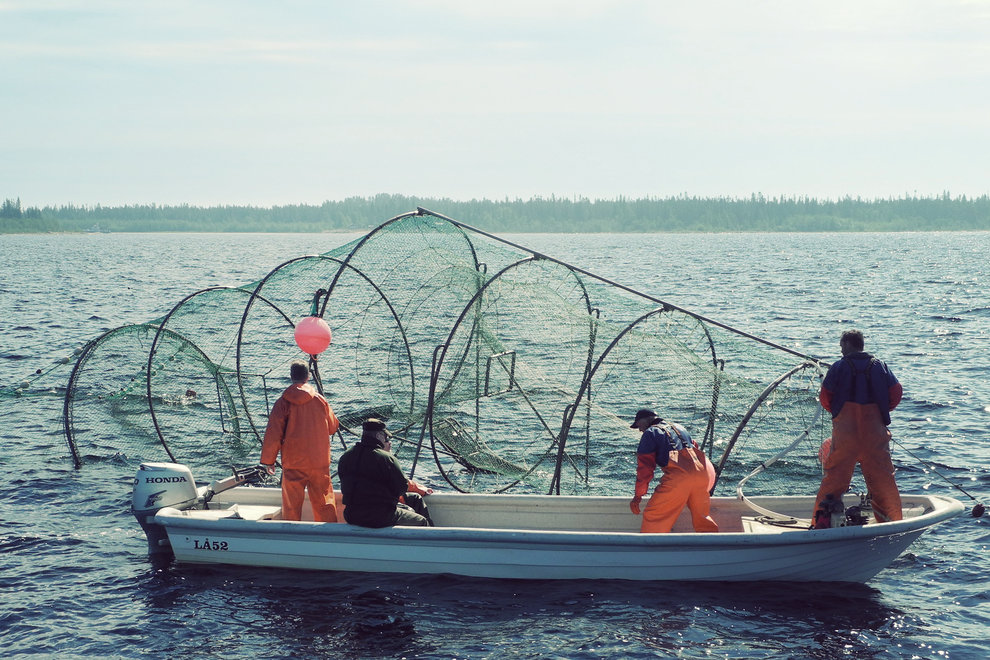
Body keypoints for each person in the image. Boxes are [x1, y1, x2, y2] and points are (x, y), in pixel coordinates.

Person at [812, 329, 903, 527]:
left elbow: (825, 396)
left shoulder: (838, 367)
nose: (840, 348)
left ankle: (822, 524)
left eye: (841, 344)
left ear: (847, 344)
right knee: (882, 482)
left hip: (846, 436)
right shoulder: (880, 366)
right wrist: (881, 412)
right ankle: (892, 523)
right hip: (874, 437)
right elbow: (896, 392)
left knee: (834, 481)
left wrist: (839, 415)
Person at [260, 360, 340, 522]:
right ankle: (329, 536)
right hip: (319, 462)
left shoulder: (283, 403)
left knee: (291, 505)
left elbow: (273, 434)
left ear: (291, 377)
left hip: (294, 462)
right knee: (324, 503)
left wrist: (269, 461)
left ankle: (291, 536)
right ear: (308, 376)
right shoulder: (320, 400)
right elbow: (332, 427)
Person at [628, 408, 719, 533]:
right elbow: (694, 449)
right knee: (702, 517)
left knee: (653, 514)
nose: (639, 429)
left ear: (647, 419)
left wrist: (638, 495)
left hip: (680, 478)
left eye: (638, 425)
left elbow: (645, 470)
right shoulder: (678, 427)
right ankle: (713, 546)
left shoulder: (650, 432)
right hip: (704, 475)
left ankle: (651, 548)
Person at [337, 418, 434, 528]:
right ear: (379, 436)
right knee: (422, 521)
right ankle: (433, 540)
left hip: (351, 514)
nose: (387, 440)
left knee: (414, 499)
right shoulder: (386, 458)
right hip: (380, 515)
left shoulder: (346, 456)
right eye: (386, 437)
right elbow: (401, 488)